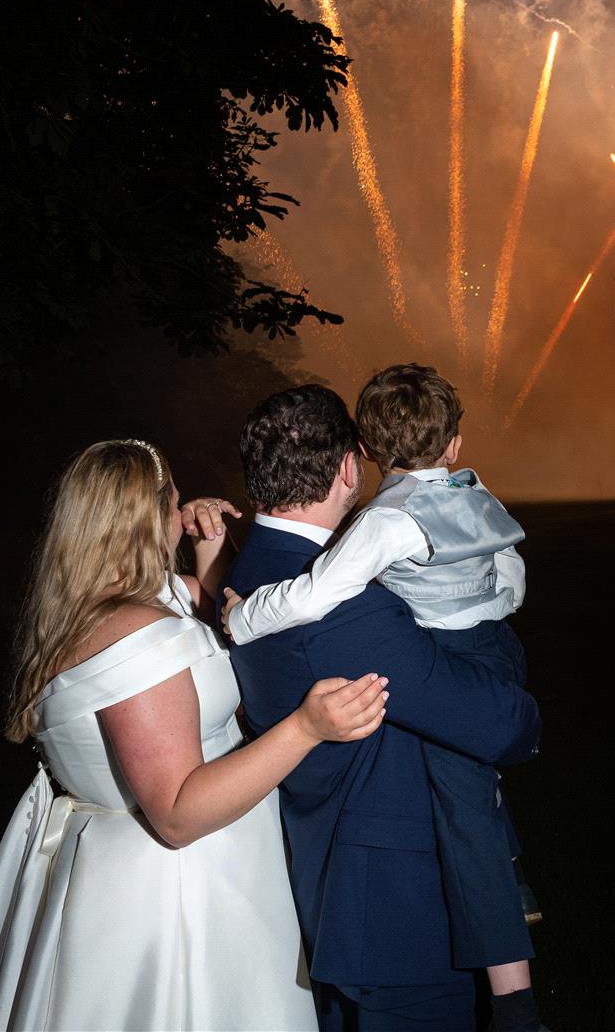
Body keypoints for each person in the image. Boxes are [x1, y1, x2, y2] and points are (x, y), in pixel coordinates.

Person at [0, 438, 388, 1032]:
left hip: (114, 873)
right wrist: (305, 728)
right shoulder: (139, 637)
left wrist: (209, 551)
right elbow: (176, 812)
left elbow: (222, 617)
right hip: (178, 891)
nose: (184, 509)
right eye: (174, 500)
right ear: (148, 515)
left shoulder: (97, 606)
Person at [223, 364, 545, 1032]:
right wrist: (526, 711)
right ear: (349, 467)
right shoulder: (346, 612)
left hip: (333, 878)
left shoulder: (253, 568)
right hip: (397, 907)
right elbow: (495, 723)